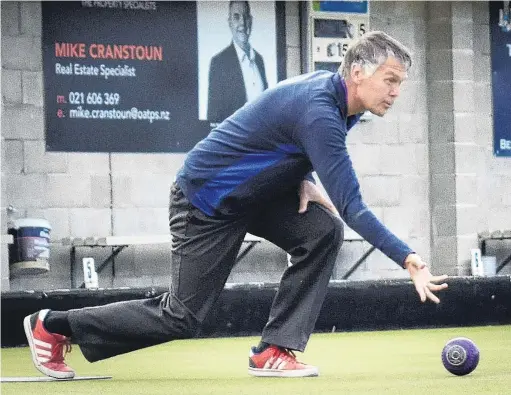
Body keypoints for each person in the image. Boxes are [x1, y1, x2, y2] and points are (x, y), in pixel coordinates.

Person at [24, 31, 448, 379]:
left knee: (322, 229)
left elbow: (272, 137)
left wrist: (303, 178)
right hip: (206, 201)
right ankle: (53, 326)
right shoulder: (321, 110)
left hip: (254, 196)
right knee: (184, 316)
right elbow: (353, 207)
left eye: (400, 83)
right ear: (358, 72)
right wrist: (409, 259)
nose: (396, 91)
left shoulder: (337, 102)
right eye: (390, 80)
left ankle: (274, 350)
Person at [207, 0, 268, 123]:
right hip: (235, 141)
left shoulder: (259, 60)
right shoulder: (219, 63)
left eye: (246, 17)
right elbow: (214, 118)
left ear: (251, 20)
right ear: (229, 22)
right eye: (236, 17)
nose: (242, 23)